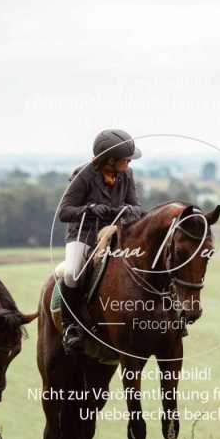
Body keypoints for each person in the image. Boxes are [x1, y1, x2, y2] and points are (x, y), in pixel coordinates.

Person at [57, 129, 143, 354]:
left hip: (116, 232)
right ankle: (70, 327)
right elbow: (64, 212)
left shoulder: (127, 175)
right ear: (111, 160)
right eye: (126, 158)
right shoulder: (83, 176)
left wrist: (127, 210)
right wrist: (90, 209)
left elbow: (138, 207)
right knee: (73, 272)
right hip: (84, 233)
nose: (130, 162)